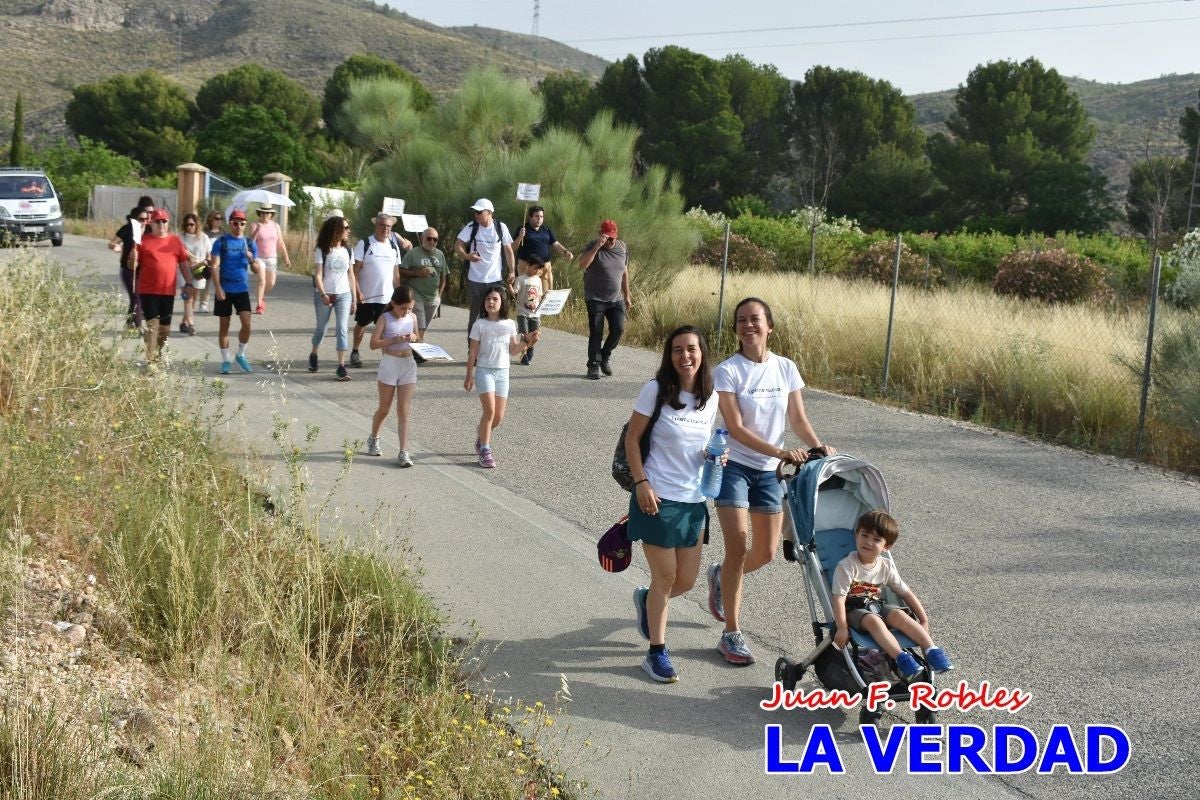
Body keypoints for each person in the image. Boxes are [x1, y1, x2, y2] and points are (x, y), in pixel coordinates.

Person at [706, 297, 835, 665]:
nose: (749, 325)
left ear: (769, 326)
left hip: (769, 473)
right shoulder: (728, 372)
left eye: (756, 319)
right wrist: (781, 453)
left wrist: (816, 446)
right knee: (738, 545)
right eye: (741, 321)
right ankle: (731, 633)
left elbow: (798, 419)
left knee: (762, 553)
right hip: (734, 466)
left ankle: (722, 575)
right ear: (735, 329)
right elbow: (736, 428)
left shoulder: (786, 368)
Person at [624, 325, 721, 683]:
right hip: (657, 497)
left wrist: (714, 457)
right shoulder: (655, 391)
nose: (685, 356)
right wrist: (641, 483)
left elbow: (703, 446)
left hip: (694, 500)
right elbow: (633, 440)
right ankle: (656, 653)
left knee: (686, 581)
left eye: (692, 348)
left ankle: (647, 601)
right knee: (665, 578)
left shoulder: (711, 398)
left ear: (702, 353)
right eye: (678, 350)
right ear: (670, 355)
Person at [832, 510, 954, 678]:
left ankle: (931, 650)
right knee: (874, 620)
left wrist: (923, 619)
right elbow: (838, 599)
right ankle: (901, 658)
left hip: (876, 605)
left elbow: (906, 592)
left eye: (876, 539)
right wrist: (842, 628)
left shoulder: (886, 566)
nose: (868, 542)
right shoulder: (846, 566)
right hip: (853, 610)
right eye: (864, 535)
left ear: (886, 546)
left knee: (899, 615)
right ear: (856, 535)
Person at [463, 286, 537, 469]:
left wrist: (527, 341)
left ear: (502, 302)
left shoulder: (509, 324)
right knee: (489, 412)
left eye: (495, 299)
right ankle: (485, 450)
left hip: (503, 373)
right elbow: (472, 353)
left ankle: (481, 436)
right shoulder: (479, 325)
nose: (491, 302)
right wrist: (468, 376)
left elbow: (513, 351)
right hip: (484, 371)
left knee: (498, 417)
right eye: (488, 299)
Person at [129, 209, 194, 368]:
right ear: (152, 223)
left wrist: (189, 283)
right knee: (153, 326)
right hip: (148, 290)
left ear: (168, 223)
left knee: (164, 330)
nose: (161, 224)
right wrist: (133, 258)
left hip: (168, 291)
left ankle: (157, 352)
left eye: (164, 221)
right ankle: (150, 361)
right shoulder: (142, 241)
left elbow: (183, 264)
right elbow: (133, 266)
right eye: (158, 221)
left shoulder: (175, 241)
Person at [367, 286, 420, 467]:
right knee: (385, 408)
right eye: (402, 308)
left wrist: (413, 337)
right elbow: (373, 344)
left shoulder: (412, 317)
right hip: (390, 364)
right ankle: (374, 437)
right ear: (393, 304)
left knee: (403, 410)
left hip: (408, 364)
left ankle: (404, 452)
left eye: (409, 308)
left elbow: (418, 339)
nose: (406, 312)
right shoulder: (385, 318)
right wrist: (393, 340)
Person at [454, 198, 515, 341]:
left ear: (489, 212)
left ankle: (494, 345)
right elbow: (458, 245)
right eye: (475, 212)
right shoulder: (472, 227)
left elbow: (508, 250)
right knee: (475, 317)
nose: (476, 215)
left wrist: (512, 271)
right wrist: (467, 256)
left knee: (497, 314)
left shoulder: (501, 227)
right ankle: (472, 351)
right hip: (476, 280)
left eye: (479, 212)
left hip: (495, 279)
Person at [578, 219, 631, 380]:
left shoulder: (622, 248)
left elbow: (625, 272)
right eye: (607, 237)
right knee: (597, 332)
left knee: (618, 329)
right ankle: (593, 365)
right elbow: (583, 264)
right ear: (601, 234)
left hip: (616, 299)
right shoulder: (593, 246)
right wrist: (597, 246)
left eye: (612, 237)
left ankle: (604, 356)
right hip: (595, 298)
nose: (610, 241)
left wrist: (627, 295)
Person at [210, 209, 259, 375]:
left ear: (245, 225)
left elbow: (257, 270)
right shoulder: (221, 242)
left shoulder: (250, 243)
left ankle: (241, 354)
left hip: (241, 288)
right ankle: (225, 360)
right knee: (224, 325)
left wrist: (251, 259)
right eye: (235, 223)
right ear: (230, 223)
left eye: (242, 223)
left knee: (247, 323)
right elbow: (214, 266)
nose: (238, 226)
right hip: (224, 288)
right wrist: (218, 288)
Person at [350, 214, 403, 368]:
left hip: (386, 297)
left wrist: (398, 294)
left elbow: (396, 273)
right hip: (367, 296)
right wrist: (358, 292)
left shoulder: (393, 247)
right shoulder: (365, 243)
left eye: (388, 226)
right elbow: (355, 270)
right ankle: (355, 351)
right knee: (362, 324)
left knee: (386, 328)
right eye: (382, 225)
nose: (385, 228)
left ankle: (386, 358)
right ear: (376, 226)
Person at [308, 215, 357, 381]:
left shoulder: (348, 250)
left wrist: (355, 299)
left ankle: (341, 366)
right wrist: (323, 294)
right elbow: (319, 274)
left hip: (344, 294)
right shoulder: (322, 249)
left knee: (342, 328)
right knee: (321, 328)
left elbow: (351, 275)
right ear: (336, 230)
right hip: (325, 293)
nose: (348, 231)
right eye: (345, 228)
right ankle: (314, 354)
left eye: (348, 228)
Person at [511, 205, 573, 294]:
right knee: (529, 295)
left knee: (546, 294)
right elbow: (513, 247)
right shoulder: (523, 229)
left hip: (545, 266)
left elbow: (555, 243)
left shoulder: (546, 229)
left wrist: (565, 252)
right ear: (530, 217)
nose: (539, 219)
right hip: (528, 266)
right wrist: (520, 237)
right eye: (537, 216)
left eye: (541, 216)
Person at [399, 227, 449, 336]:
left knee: (422, 328)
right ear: (422, 238)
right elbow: (401, 271)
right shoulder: (413, 253)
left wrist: (439, 296)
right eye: (429, 238)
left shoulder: (440, 255)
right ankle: (417, 352)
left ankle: (411, 347)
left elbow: (444, 277)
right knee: (419, 328)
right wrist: (416, 273)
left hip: (433, 298)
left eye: (435, 239)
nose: (432, 241)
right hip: (416, 295)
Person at [109, 205, 151, 329]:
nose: (144, 222)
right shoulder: (127, 229)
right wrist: (115, 247)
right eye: (141, 219)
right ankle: (137, 325)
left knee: (137, 297)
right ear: (133, 219)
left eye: (146, 219)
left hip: (144, 270)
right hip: (128, 269)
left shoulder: (149, 230)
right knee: (136, 296)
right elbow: (112, 243)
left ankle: (130, 323)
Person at [249, 205, 291, 314]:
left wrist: (286, 257)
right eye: (262, 213)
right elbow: (251, 242)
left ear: (271, 215)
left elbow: (280, 242)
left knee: (271, 282)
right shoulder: (254, 225)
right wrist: (257, 230)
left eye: (267, 213)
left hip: (272, 257)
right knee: (262, 280)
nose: (265, 215)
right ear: (259, 214)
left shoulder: (276, 226)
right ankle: (259, 305)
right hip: (259, 257)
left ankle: (261, 296)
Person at [177, 212, 209, 336]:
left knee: (193, 299)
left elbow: (209, 252)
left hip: (199, 271)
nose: (189, 227)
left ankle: (183, 322)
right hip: (184, 271)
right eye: (187, 224)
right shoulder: (180, 238)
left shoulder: (203, 237)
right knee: (188, 298)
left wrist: (207, 260)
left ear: (197, 225)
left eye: (192, 224)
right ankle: (191, 324)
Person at [513, 255, 546, 366]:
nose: (538, 271)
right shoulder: (520, 279)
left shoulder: (538, 280)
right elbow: (513, 292)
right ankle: (524, 354)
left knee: (536, 335)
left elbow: (539, 296)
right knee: (525, 335)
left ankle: (530, 348)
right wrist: (509, 284)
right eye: (536, 267)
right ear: (528, 266)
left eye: (540, 268)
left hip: (535, 313)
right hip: (522, 312)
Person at [197, 210, 224, 313]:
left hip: (220, 262)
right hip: (208, 262)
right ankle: (203, 305)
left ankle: (221, 303)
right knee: (206, 285)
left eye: (221, 219)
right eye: (217, 218)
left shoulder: (223, 233)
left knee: (220, 284)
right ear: (211, 219)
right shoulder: (204, 233)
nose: (219, 221)